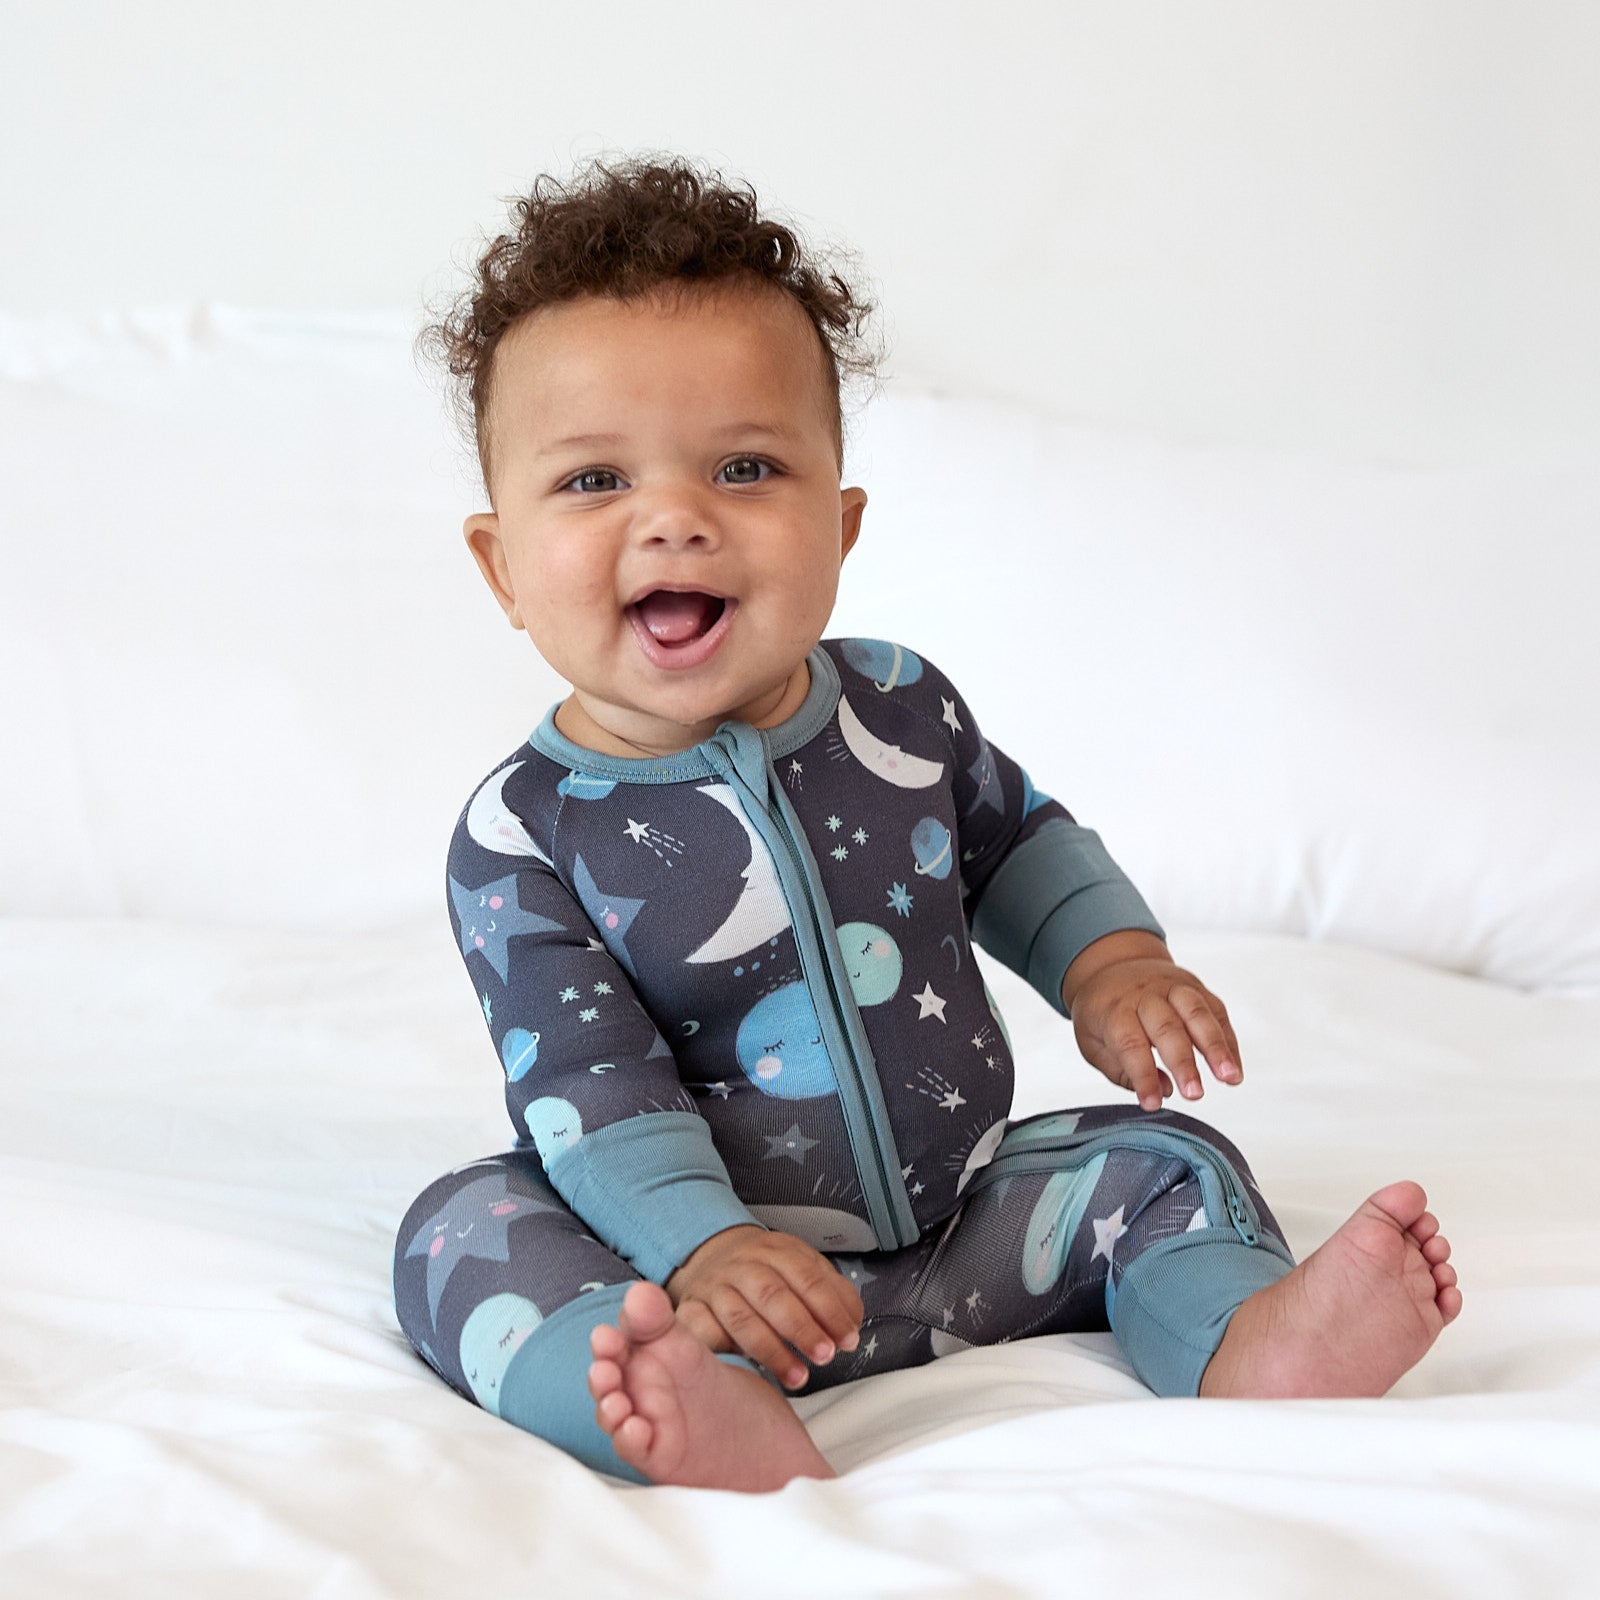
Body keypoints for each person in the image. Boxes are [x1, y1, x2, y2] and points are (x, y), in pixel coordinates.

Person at [393, 153, 1461, 1493]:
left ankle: (1248, 1339)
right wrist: (701, 1251)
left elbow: (1018, 841)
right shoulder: (523, 836)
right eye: (596, 480)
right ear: (502, 566)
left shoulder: (898, 707)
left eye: (744, 467)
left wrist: (1113, 963)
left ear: (840, 527)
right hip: (703, 1274)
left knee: (1166, 1161)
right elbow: (592, 1087)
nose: (675, 520)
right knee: (459, 1237)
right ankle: (681, 1406)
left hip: (964, 1232)